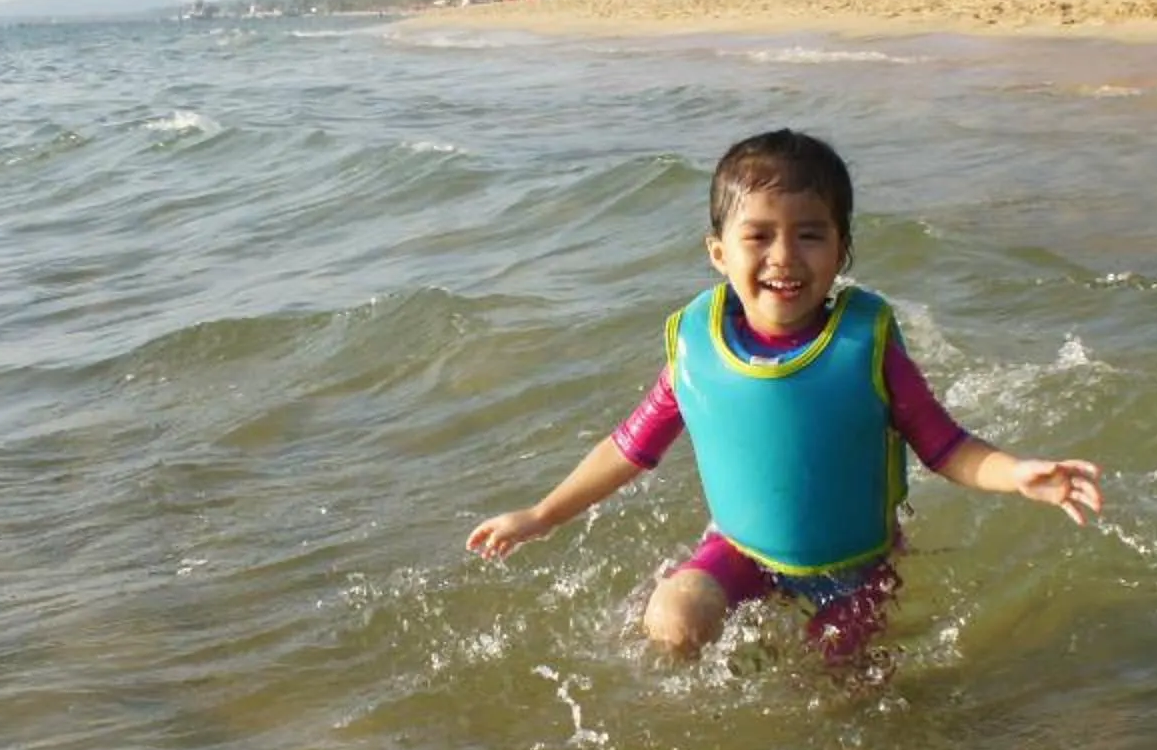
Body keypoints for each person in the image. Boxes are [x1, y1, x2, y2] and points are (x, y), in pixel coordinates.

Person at [466, 129, 1102, 659]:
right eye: (758, 235)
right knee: (673, 619)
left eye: (810, 234)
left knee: (846, 690)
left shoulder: (868, 348)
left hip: (852, 568)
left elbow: (946, 447)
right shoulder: (699, 347)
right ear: (718, 252)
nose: (784, 255)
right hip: (741, 550)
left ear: (841, 251)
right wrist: (542, 516)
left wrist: (1018, 473)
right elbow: (631, 447)